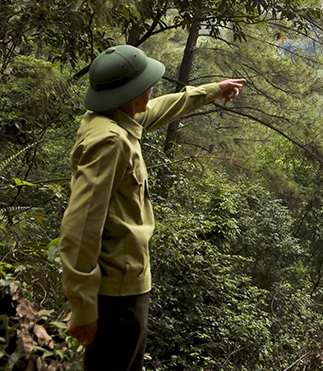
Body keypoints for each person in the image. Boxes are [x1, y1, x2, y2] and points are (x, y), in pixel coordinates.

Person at [58, 45, 245, 371]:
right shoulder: (111, 143)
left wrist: (214, 91)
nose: (152, 86)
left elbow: (160, 108)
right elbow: (80, 227)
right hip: (118, 294)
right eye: (146, 82)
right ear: (129, 93)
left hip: (123, 285)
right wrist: (84, 309)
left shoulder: (109, 118)